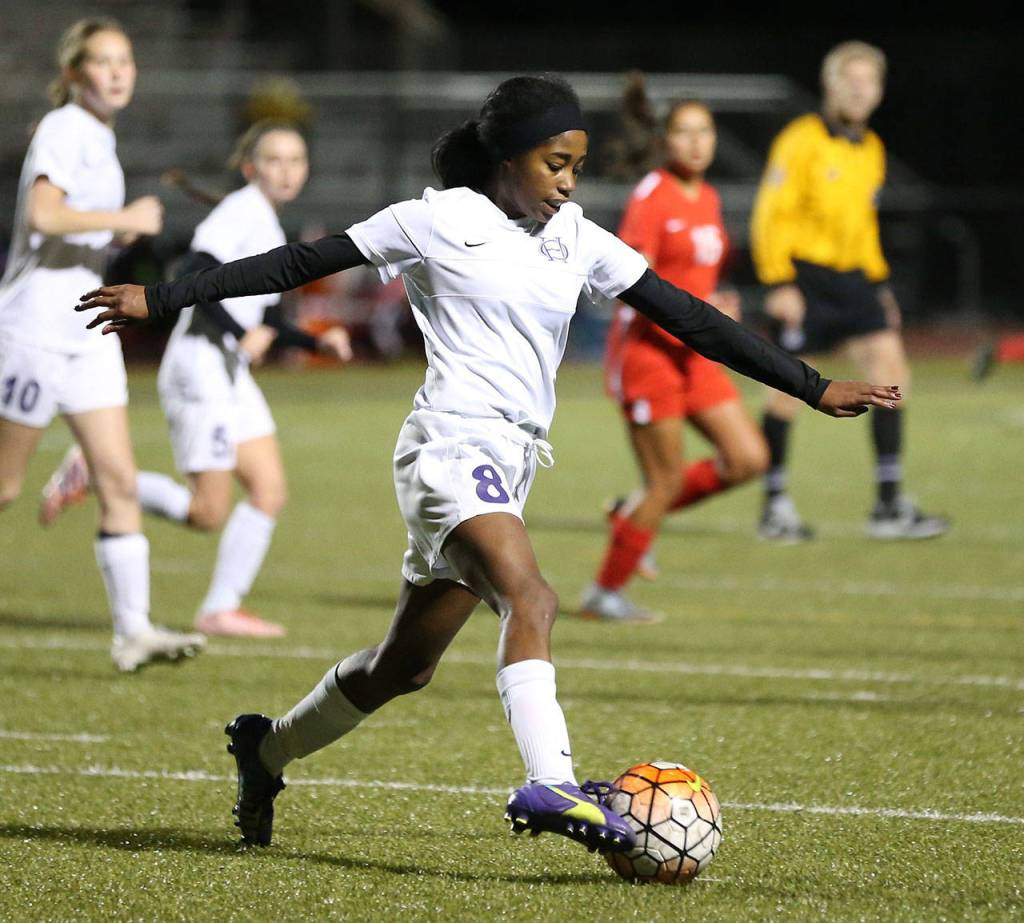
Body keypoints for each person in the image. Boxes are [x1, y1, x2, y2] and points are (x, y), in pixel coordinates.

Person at [76, 74, 900, 855]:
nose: (570, 182)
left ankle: (265, 751)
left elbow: (686, 315)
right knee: (530, 593)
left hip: (510, 460)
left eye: (577, 164)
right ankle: (549, 783)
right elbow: (299, 263)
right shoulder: (433, 220)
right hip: (449, 446)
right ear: (507, 159)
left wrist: (813, 384)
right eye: (555, 163)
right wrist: (163, 297)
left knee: (405, 666)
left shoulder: (575, 238)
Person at [41, 121, 352, 638]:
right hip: (199, 369)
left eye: (295, 160)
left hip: (227, 369)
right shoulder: (241, 211)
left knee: (269, 490)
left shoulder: (268, 223)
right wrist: (236, 333)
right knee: (209, 511)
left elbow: (263, 317)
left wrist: (313, 342)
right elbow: (196, 269)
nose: (286, 170)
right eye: (274, 159)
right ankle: (98, 476)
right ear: (251, 167)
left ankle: (220, 609)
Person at [0, 17, 204, 672]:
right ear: (72, 74)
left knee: (116, 477)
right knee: (3, 485)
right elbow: (43, 214)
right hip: (34, 329)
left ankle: (134, 630)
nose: (118, 71)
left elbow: (72, 231)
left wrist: (118, 239)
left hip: (85, 329)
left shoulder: (96, 136)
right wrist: (125, 220)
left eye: (126, 60)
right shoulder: (66, 128)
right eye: (103, 60)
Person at [580, 84, 768, 623]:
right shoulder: (653, 195)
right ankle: (603, 594)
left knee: (748, 458)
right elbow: (633, 280)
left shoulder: (705, 197)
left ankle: (632, 515)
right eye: (684, 132)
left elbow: (696, 278)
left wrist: (716, 302)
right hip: (649, 353)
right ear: (664, 141)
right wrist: (701, 305)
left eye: (704, 132)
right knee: (664, 480)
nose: (696, 142)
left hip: (694, 351)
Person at [751, 40, 948, 542]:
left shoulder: (872, 149)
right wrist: (778, 281)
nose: (861, 91)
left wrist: (880, 286)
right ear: (830, 86)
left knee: (892, 375)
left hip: (855, 282)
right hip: (805, 278)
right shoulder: (800, 140)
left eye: (870, 83)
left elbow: (863, 227)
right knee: (785, 391)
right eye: (851, 81)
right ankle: (774, 507)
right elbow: (771, 214)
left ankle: (888, 505)